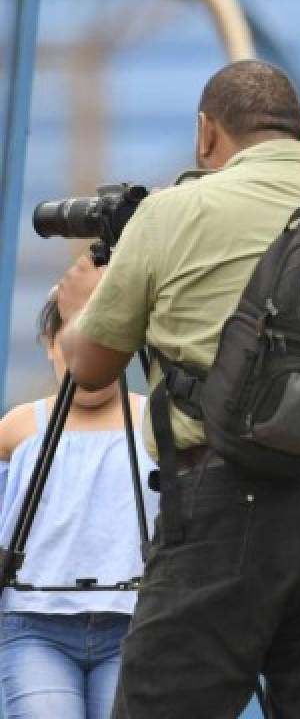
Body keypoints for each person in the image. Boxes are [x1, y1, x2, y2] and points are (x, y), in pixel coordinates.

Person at [54, 60, 300, 719]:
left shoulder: (170, 214)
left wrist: (82, 307)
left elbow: (89, 371)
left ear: (205, 135)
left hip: (223, 499)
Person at [0, 296, 157, 719]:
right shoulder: (17, 426)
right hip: (34, 625)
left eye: (105, 341)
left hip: (136, 624)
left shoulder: (157, 424)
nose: (88, 358)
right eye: (73, 342)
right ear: (49, 344)